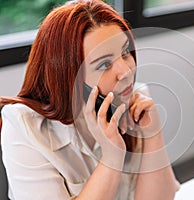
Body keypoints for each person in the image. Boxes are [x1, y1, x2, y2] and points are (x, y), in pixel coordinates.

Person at [0, 0, 180, 199]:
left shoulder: (135, 100)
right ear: (67, 77)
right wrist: (112, 156)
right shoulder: (24, 126)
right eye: (104, 64)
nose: (126, 72)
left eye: (125, 52)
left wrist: (153, 135)